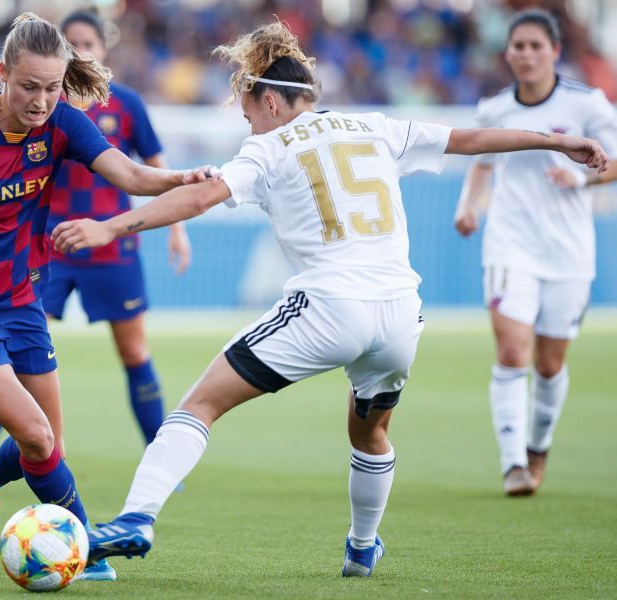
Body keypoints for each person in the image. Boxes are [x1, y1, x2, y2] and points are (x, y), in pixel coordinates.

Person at [51, 21, 608, 577]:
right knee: (370, 431)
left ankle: (136, 518)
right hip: (400, 317)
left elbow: (200, 197)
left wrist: (111, 227)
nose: (247, 121)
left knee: (199, 405)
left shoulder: (267, 146)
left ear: (269, 99)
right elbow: (471, 140)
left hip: (328, 307)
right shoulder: (373, 125)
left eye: (248, 110)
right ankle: (363, 547)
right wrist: (557, 141)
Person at [0, 12, 214, 581]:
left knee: (46, 443)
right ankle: (84, 551)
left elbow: (129, 175)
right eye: (29, 86)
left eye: (52, 87)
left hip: (18, 297)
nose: (40, 101)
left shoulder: (63, 123)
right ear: (3, 74)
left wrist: (180, 178)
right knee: (34, 434)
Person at [0, 10, 192, 493]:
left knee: (133, 351)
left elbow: (144, 169)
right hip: (48, 245)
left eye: (87, 43)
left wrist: (179, 207)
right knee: (9, 362)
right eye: (72, 45)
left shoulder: (123, 106)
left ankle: (160, 464)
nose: (80, 53)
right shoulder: (34, 112)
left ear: (103, 48)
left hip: (112, 243)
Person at [453, 9, 617, 497]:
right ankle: (512, 466)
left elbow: (614, 163)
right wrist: (469, 207)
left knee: (549, 365)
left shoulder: (587, 104)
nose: (525, 54)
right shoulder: (494, 110)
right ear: (507, 53)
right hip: (510, 245)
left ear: (554, 51)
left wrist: (582, 176)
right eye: (518, 46)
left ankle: (538, 447)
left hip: (567, 251)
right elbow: (482, 164)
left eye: (535, 46)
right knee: (511, 353)